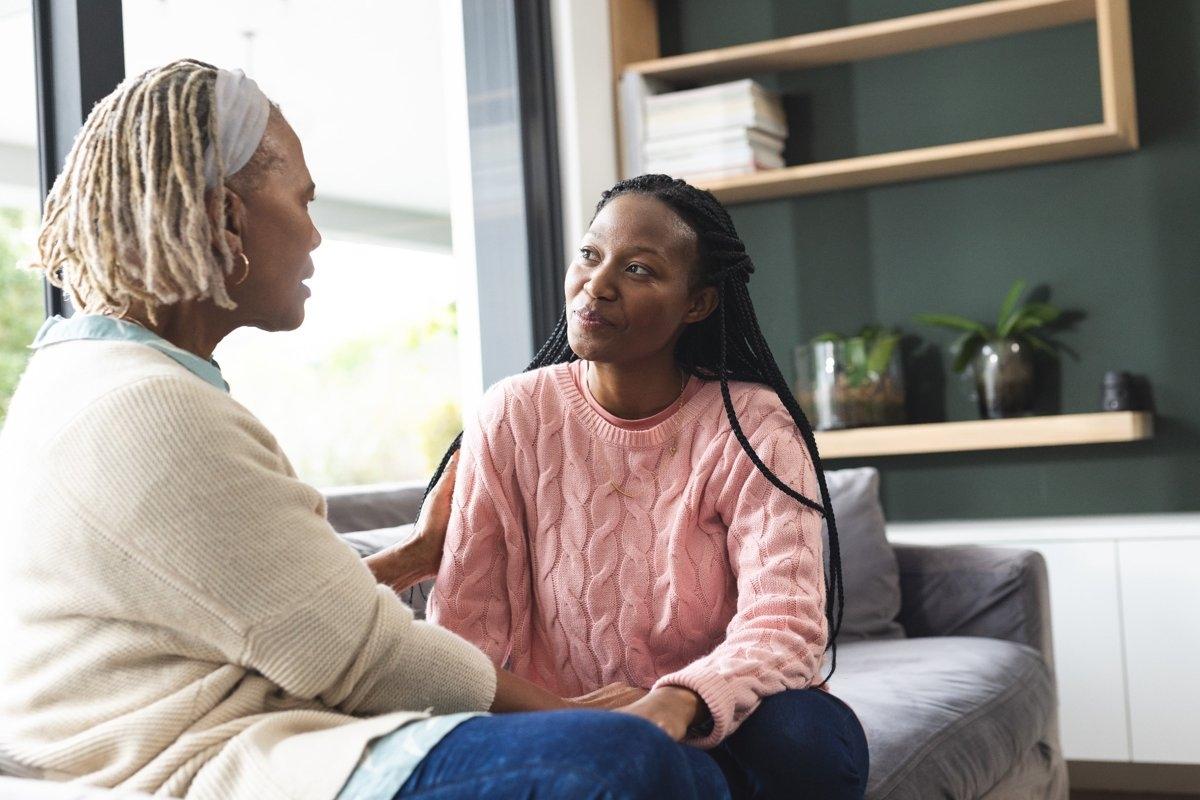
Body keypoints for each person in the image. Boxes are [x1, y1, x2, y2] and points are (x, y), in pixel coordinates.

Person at [0, 61, 728, 800]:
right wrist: (572, 715)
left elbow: (277, 608)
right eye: (301, 201)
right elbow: (360, 655)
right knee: (619, 761)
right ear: (225, 216)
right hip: (199, 762)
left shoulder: (94, 377)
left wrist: (412, 554)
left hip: (214, 736)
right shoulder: (149, 409)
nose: (315, 235)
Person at [428, 174, 871, 799]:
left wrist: (676, 699)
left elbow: (787, 624)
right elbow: (461, 640)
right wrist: (595, 721)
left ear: (698, 304)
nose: (597, 285)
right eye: (589, 254)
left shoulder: (752, 425)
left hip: (725, 710)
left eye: (638, 269)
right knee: (655, 774)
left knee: (808, 740)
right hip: (565, 718)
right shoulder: (512, 414)